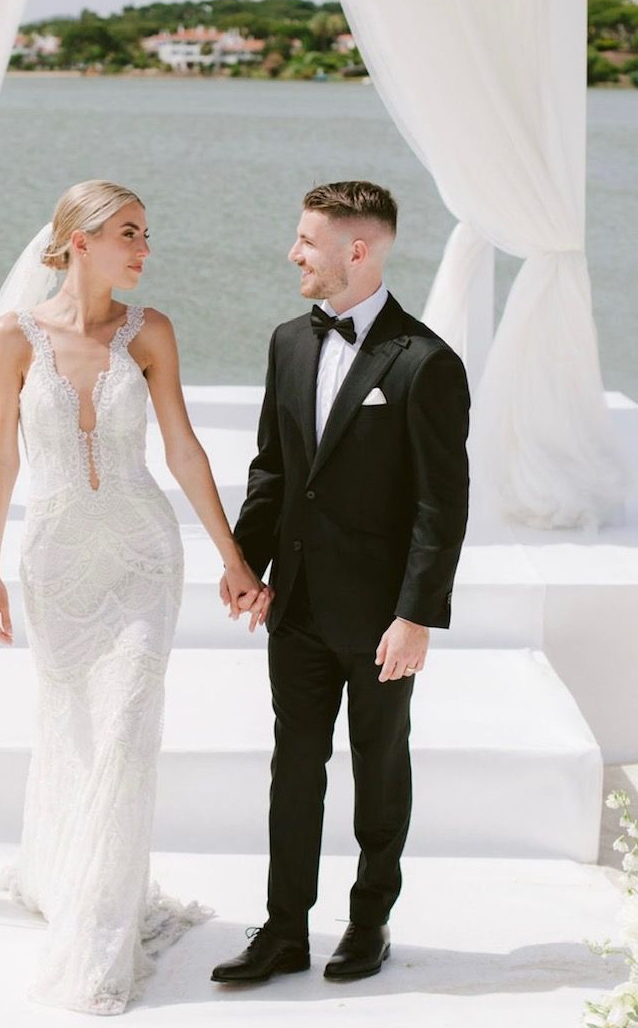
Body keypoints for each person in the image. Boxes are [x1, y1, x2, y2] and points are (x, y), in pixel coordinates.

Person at [0, 180, 269, 1016]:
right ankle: (72, 877)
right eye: (128, 233)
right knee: (76, 727)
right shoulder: (14, 336)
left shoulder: (151, 332)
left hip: (142, 555)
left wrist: (232, 557)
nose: (144, 249)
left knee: (128, 726)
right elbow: (0, 455)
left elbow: (181, 449)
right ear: (79, 239)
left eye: (145, 234)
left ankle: (101, 932)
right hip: (56, 557)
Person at [211, 180, 470, 986]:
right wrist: (246, 564)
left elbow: (440, 504)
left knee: (377, 767)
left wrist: (415, 616)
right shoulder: (289, 341)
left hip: (380, 616)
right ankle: (283, 929)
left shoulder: (425, 361)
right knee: (293, 766)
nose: (292, 253)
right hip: (295, 606)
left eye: (306, 241)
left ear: (356, 250)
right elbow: (274, 468)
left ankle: (368, 922)